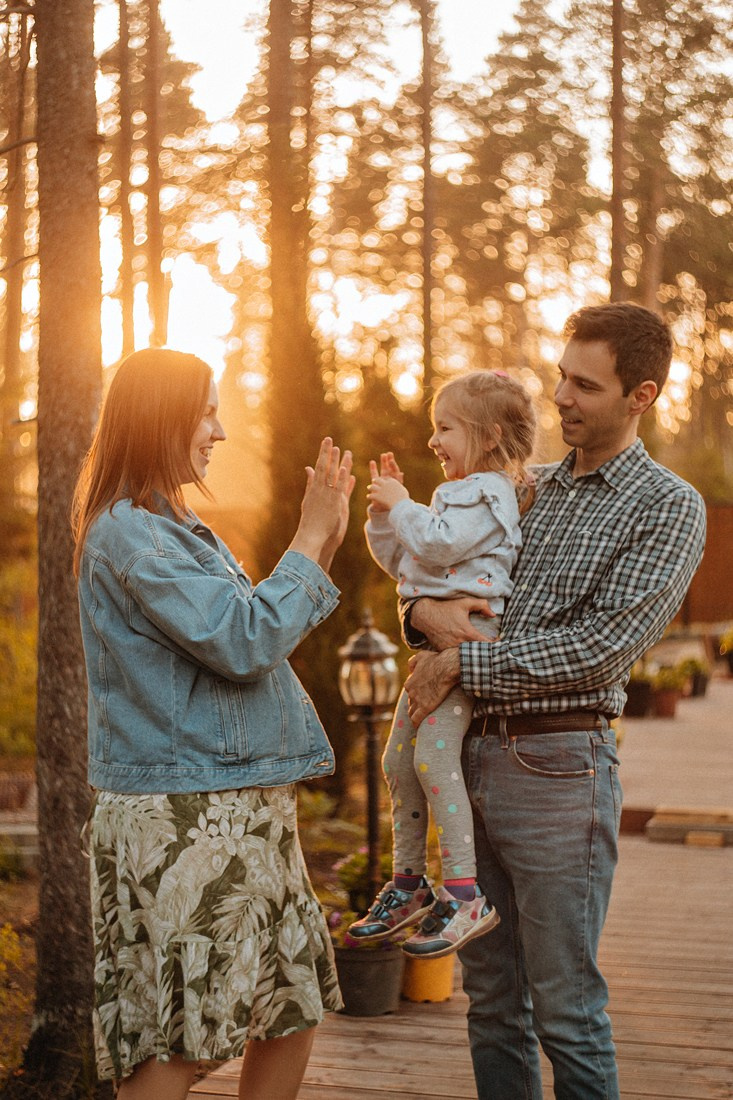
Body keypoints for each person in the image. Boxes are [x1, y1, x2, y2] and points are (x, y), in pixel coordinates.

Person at [402, 303, 706, 1099]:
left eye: (585, 385)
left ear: (639, 396)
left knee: (566, 1008)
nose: (560, 399)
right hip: (464, 759)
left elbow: (599, 649)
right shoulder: (514, 486)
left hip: (559, 772)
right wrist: (419, 618)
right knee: (492, 1002)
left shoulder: (666, 507)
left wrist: (461, 664)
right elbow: (438, 585)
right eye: (560, 376)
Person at [72, 348, 355, 1100]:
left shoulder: (175, 526)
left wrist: (322, 538)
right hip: (182, 817)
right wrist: (307, 536)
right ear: (159, 417)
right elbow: (243, 640)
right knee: (180, 1040)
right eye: (205, 411)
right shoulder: (131, 534)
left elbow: (243, 633)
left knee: (288, 1010)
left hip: (241, 807)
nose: (220, 430)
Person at [348, 371, 537, 958]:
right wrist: (384, 514)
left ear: (488, 435)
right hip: (432, 648)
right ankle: (410, 885)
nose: (434, 440)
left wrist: (406, 508)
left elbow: (435, 544)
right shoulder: (452, 495)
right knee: (396, 761)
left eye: (445, 428)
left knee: (431, 757)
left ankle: (463, 893)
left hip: (468, 644)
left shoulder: (489, 494)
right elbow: (404, 560)